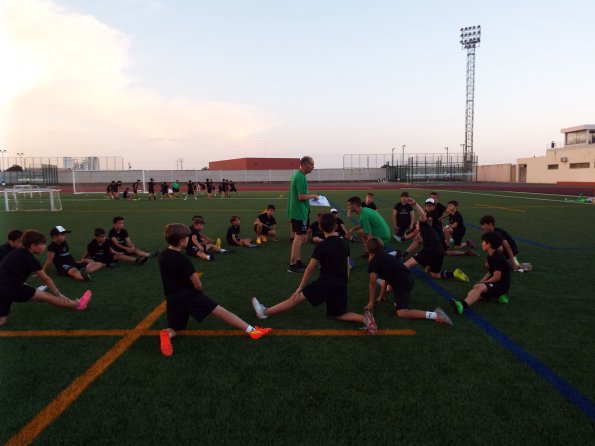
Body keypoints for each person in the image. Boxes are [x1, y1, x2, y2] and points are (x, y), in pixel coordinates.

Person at [251, 213, 378, 334]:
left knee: (296, 298)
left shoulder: (321, 246)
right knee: (339, 314)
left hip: (326, 282)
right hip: (341, 282)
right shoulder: (344, 243)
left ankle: (265, 311)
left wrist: (300, 287)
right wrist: (345, 280)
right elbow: (347, 265)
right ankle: (365, 319)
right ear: (336, 226)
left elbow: (310, 269)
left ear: (320, 227)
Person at [157, 223, 271, 356]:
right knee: (221, 311)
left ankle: (167, 333)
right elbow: (197, 284)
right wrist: (198, 290)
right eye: (187, 238)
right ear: (182, 241)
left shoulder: (162, 255)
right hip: (189, 295)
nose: (188, 240)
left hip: (172, 297)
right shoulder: (183, 259)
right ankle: (253, 331)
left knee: (176, 328)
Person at [0, 230, 92, 326]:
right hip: (11, 288)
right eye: (42, 244)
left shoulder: (17, 252)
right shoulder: (30, 259)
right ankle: (79, 304)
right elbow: (46, 279)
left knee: (2, 320)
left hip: (2, 287)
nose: (45, 246)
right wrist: (58, 294)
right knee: (47, 296)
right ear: (32, 246)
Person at [364, 237, 452, 325]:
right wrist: (381, 296)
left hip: (402, 283)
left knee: (402, 313)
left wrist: (371, 302)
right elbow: (387, 278)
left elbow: (372, 283)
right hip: (407, 278)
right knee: (390, 287)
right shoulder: (386, 255)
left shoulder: (374, 262)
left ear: (368, 250)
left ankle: (435, 315)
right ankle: (391, 290)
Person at [402, 199, 470, 282]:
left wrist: (415, 204)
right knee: (435, 275)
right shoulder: (428, 227)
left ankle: (393, 282)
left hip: (431, 249)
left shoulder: (425, 223)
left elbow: (422, 215)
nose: (417, 222)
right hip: (439, 250)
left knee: (406, 264)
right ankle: (454, 274)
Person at [450, 231, 511, 314]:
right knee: (474, 290)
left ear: (489, 244)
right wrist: (481, 281)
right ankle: (499, 296)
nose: (482, 244)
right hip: (496, 284)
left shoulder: (497, 257)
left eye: (483, 242)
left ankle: (462, 305)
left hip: (501, 286)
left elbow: (497, 277)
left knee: (479, 288)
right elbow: (490, 272)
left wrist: (483, 284)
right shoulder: (491, 256)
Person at [287, 156, 319, 273]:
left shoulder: (299, 175)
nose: (313, 167)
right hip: (299, 212)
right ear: (304, 164)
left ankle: (297, 260)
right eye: (311, 164)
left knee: (298, 236)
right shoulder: (300, 177)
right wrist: (313, 196)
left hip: (299, 211)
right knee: (299, 237)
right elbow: (301, 197)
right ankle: (293, 263)